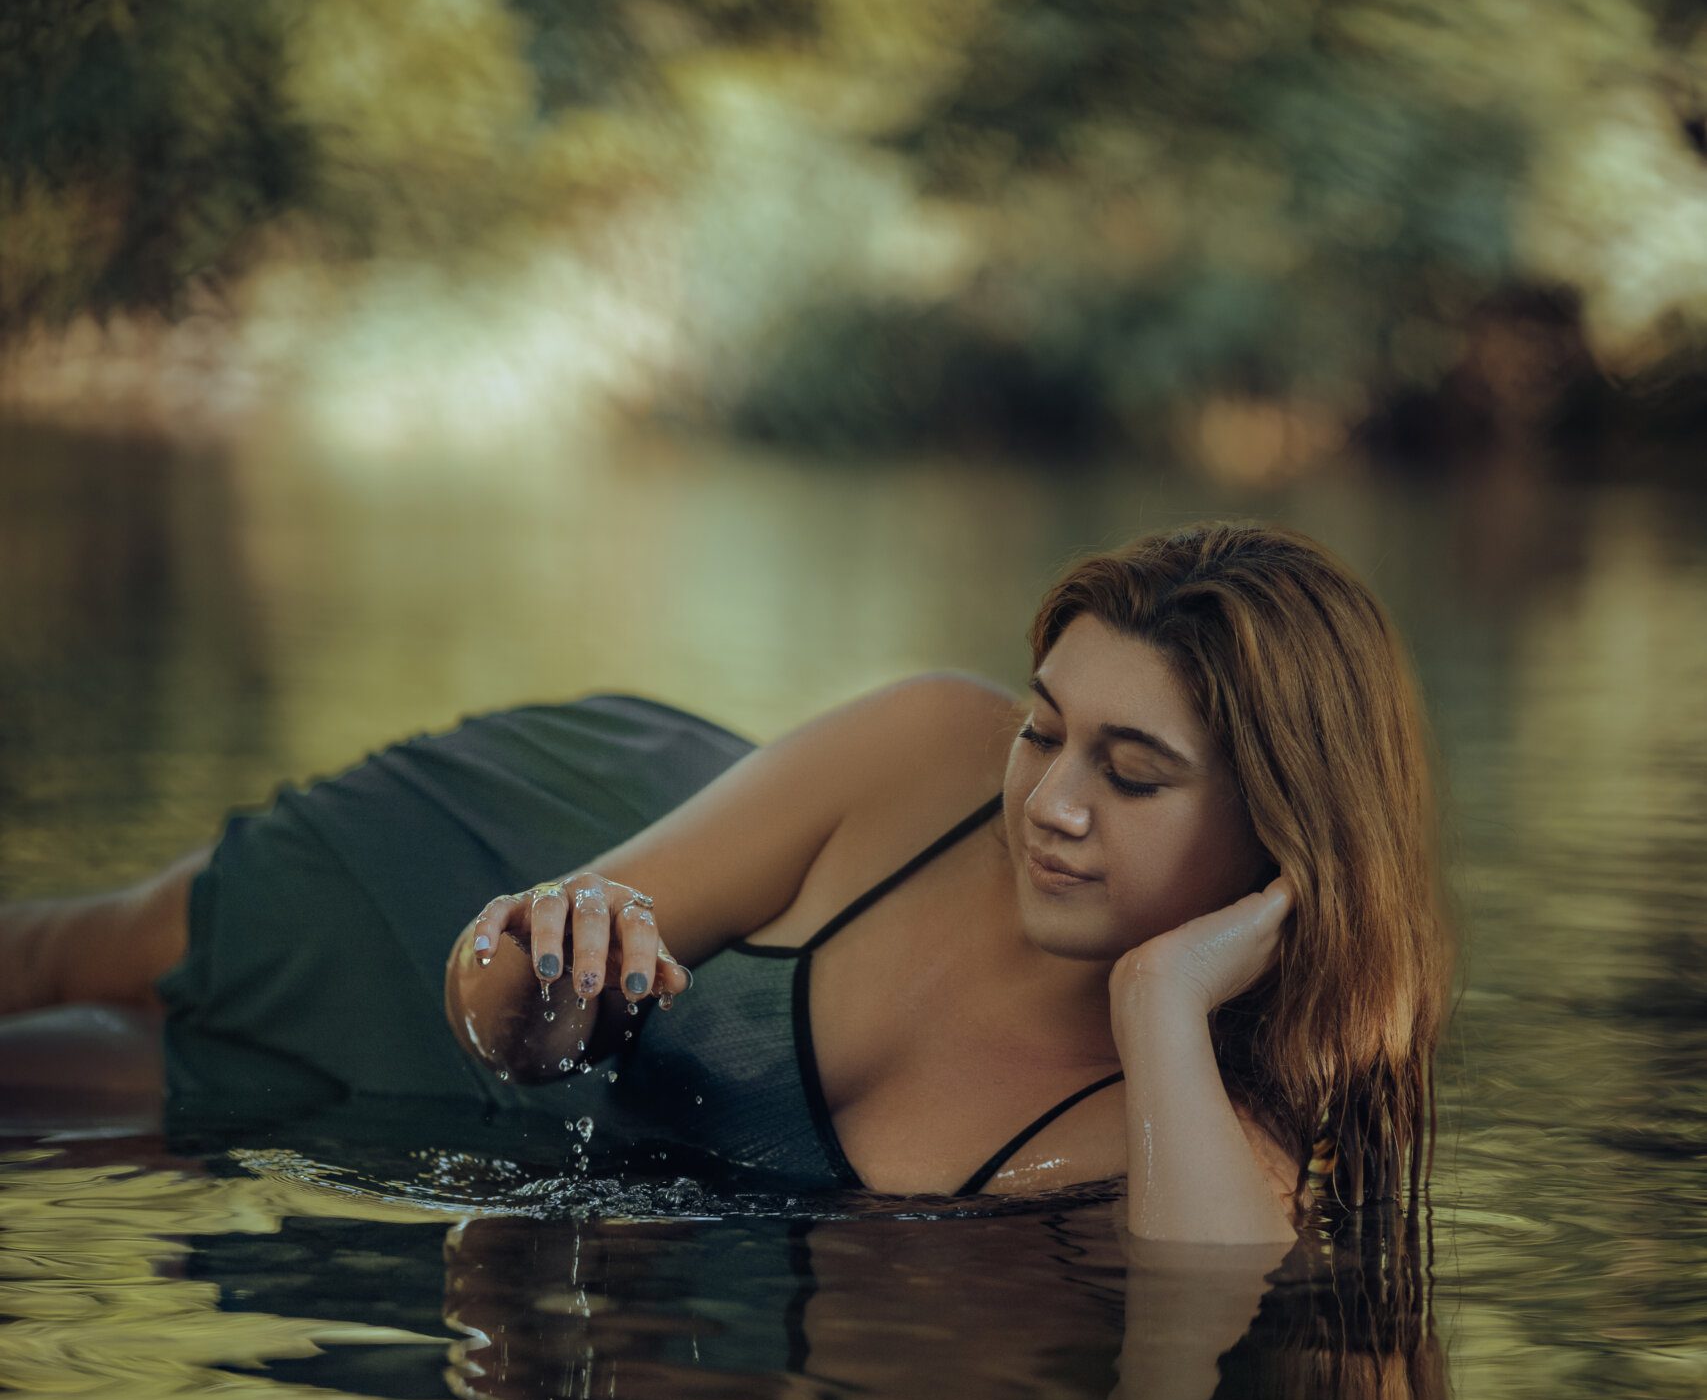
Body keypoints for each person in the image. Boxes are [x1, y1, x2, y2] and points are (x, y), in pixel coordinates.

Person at [0, 518, 1456, 1247]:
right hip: (475, 857)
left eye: (1133, 775)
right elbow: (494, 981)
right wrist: (545, 982)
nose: (1053, 806)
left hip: (482, 1152)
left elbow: (1197, 1326)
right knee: (76, 955)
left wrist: (1160, 1006)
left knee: (72, 1090)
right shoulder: (931, 749)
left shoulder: (1221, 1136)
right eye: (1044, 731)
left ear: (1282, 829)